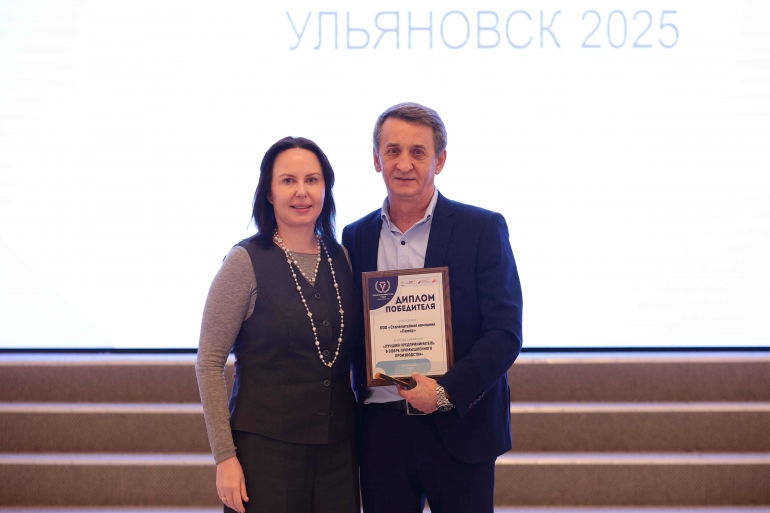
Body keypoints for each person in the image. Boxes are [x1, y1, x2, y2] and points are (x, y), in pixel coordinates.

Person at [341, 103, 523, 513]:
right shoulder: (355, 236)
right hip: (380, 432)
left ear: (439, 161)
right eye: (393, 151)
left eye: (418, 152)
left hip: (459, 424)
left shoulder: (482, 229)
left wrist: (444, 393)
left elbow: (505, 333)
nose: (404, 163)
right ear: (376, 159)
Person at [196, 136, 361, 513]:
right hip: (265, 455)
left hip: (338, 453)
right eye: (288, 180)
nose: (302, 191)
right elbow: (208, 363)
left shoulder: (343, 258)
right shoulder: (244, 262)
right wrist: (225, 457)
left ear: (326, 189)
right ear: (269, 193)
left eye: (312, 180)